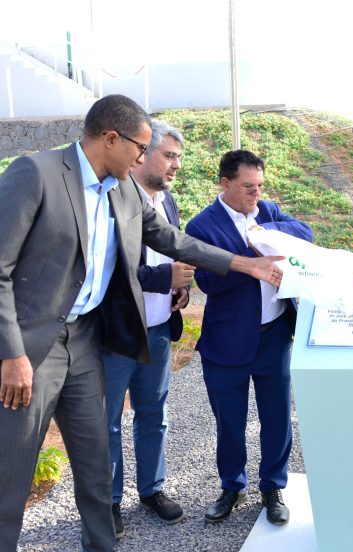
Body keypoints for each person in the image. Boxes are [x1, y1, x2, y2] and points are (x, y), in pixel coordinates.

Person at [0, 94, 282, 552]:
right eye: (140, 148)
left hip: (85, 339)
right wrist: (12, 353)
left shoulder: (123, 188)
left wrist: (244, 264)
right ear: (111, 139)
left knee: (95, 463)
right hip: (32, 346)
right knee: (12, 470)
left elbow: (173, 240)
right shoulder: (36, 173)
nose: (142, 159)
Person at [185, 149, 313, 525]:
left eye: (260, 186)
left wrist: (266, 236)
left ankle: (273, 487)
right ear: (225, 184)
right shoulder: (202, 225)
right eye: (248, 187)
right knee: (230, 421)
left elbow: (305, 233)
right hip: (226, 342)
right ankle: (231, 486)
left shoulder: (268, 211)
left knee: (277, 418)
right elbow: (207, 281)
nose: (256, 194)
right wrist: (249, 259)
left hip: (275, 337)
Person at [103, 119, 192, 537]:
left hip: (157, 331)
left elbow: (171, 257)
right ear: (141, 153)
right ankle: (108, 502)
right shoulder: (112, 199)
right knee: (107, 422)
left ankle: (152, 490)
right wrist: (164, 278)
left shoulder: (167, 200)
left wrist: (180, 290)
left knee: (154, 415)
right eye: (169, 155)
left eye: (179, 158)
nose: (176, 165)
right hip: (118, 335)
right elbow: (108, 271)